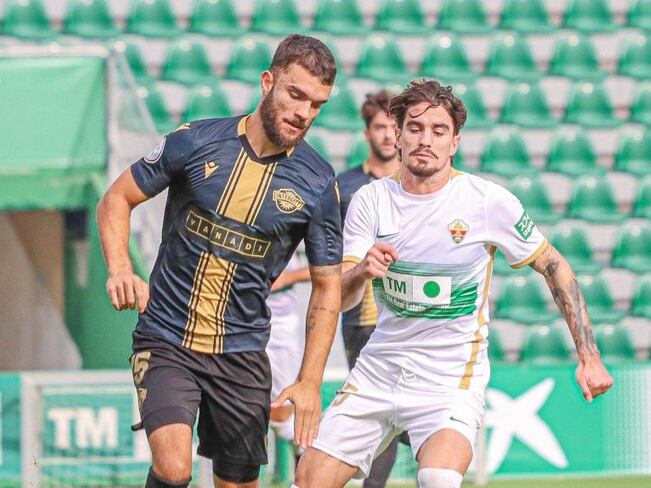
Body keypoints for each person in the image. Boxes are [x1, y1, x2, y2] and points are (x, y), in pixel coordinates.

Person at [293, 80, 614, 488]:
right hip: (378, 368)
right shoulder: (370, 200)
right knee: (309, 480)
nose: (426, 139)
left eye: (439, 130)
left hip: (449, 379)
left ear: (454, 142)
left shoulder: (486, 202)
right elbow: (340, 297)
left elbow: (555, 267)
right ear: (398, 135)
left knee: (438, 477)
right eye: (415, 128)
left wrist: (589, 356)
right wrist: (361, 271)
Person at [96, 34, 343, 488]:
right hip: (167, 336)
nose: (304, 113)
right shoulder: (195, 141)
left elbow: (329, 286)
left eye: (317, 104)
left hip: (243, 353)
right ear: (268, 82)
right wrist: (119, 267)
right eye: (296, 95)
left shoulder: (318, 182)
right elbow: (116, 199)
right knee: (174, 467)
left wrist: (310, 380)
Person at [336, 90, 405, 488]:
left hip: (409, 311)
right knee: (383, 415)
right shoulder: (346, 187)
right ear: (367, 133)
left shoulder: (416, 184)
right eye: (379, 127)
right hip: (361, 316)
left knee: (409, 417)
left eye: (393, 127)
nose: (387, 135)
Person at [266, 251, 311, 445]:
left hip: (280, 322)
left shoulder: (295, 219)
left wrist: (287, 277)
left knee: (281, 415)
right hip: (232, 320)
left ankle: (308, 448)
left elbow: (335, 266)